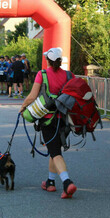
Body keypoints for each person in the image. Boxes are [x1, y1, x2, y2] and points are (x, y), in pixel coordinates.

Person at [19, 47, 77, 199]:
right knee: (55, 149)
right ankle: (50, 182)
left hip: (48, 119)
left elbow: (32, 96)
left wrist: (23, 107)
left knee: (55, 152)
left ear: (48, 60)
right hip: (65, 119)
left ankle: (67, 182)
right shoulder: (69, 75)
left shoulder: (42, 74)